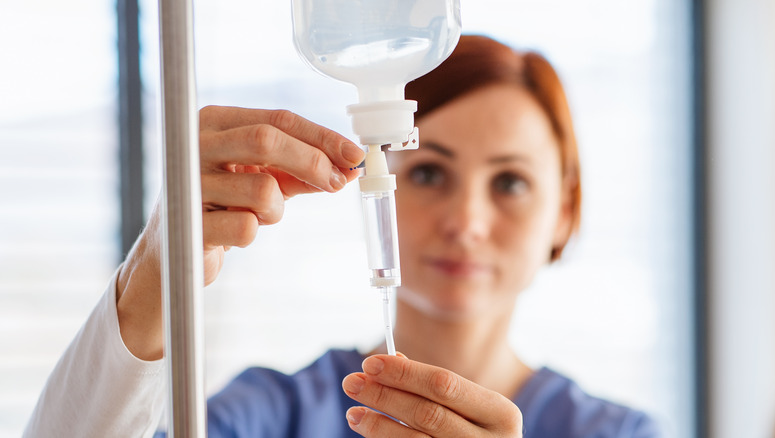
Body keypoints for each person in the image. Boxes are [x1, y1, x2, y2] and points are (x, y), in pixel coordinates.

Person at [24, 35, 659, 438]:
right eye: (431, 172)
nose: (466, 221)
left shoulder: (617, 433)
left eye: (511, 183)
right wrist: (155, 274)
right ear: (376, 176)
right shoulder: (272, 416)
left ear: (565, 211)